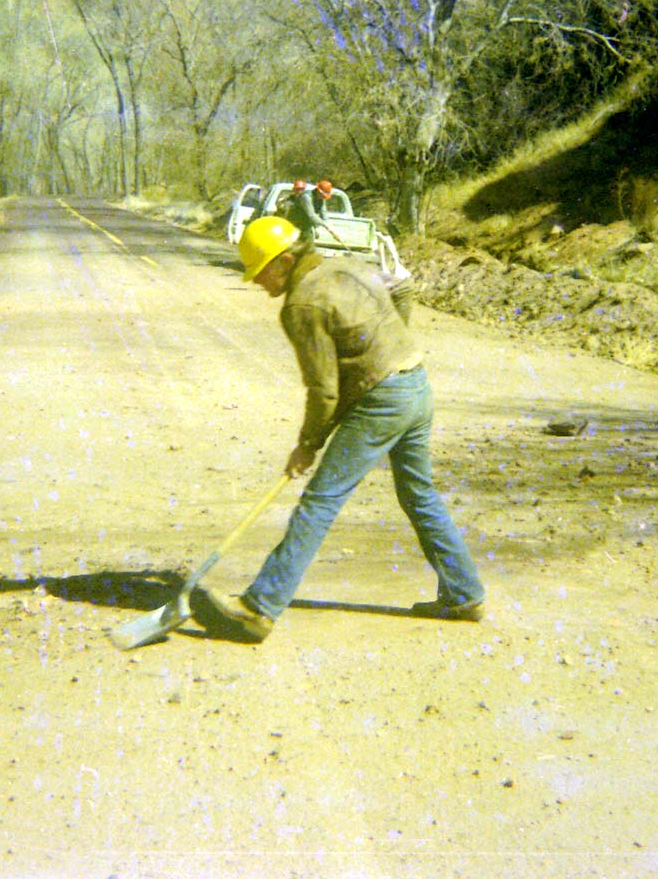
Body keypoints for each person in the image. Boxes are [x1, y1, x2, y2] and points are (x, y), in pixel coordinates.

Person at [204, 216, 485, 641]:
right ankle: (464, 593)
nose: (257, 282)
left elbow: (324, 390)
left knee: (320, 500)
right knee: (418, 492)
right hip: (415, 383)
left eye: (259, 271)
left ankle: (260, 606)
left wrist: (308, 444)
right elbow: (402, 290)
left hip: (384, 399)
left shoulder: (301, 304)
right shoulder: (343, 266)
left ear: (282, 261)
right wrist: (388, 346)